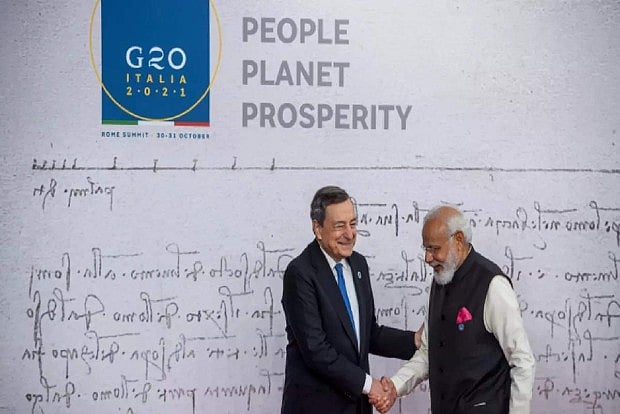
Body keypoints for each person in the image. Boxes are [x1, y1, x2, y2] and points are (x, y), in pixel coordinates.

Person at [371, 205, 535, 414]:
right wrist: (395, 386)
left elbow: (522, 362)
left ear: (458, 240)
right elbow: (428, 353)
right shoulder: (439, 281)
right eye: (426, 249)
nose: (427, 258)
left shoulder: (492, 285)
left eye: (434, 249)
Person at [280, 185, 419, 414]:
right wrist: (370, 385)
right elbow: (316, 350)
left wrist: (414, 341)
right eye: (339, 226)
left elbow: (368, 334)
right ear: (318, 228)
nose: (349, 233)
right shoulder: (300, 273)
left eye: (353, 224)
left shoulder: (358, 265)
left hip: (357, 408)